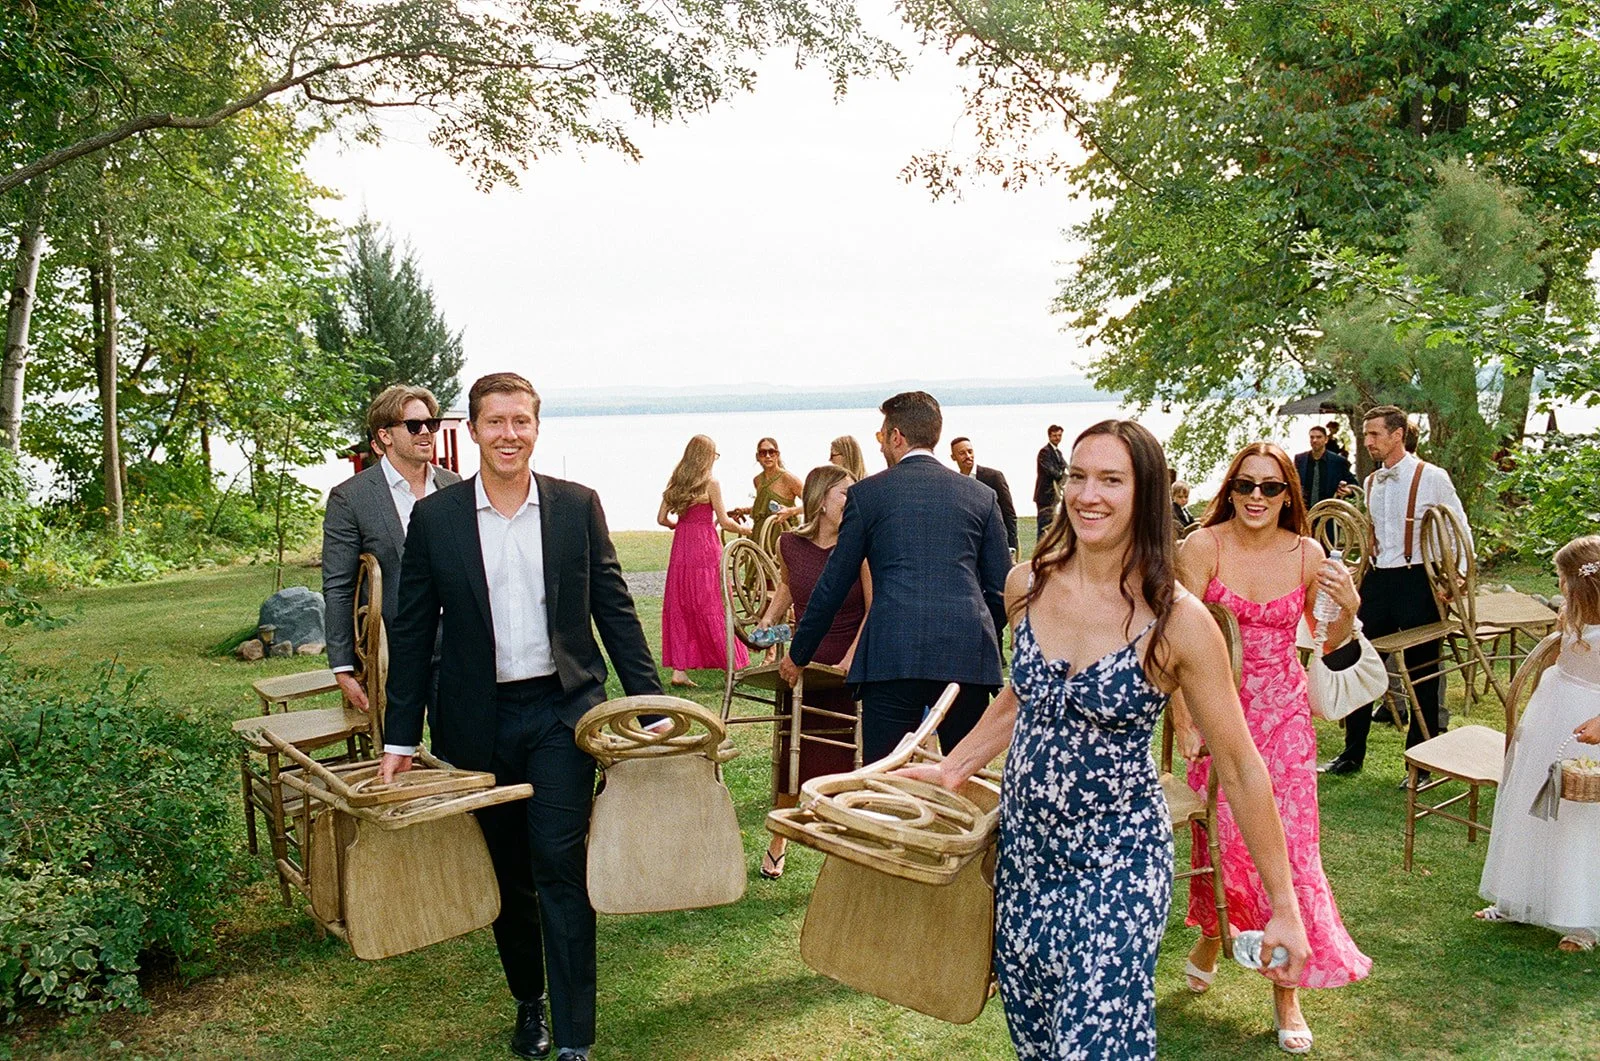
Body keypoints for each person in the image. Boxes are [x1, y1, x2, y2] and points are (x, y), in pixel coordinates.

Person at [900, 420, 1310, 1060]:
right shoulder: (1025, 585)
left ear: (1144, 494)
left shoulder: (1178, 621)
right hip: (1027, 858)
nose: (1088, 494)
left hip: (1119, 860)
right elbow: (1025, 695)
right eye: (1079, 477)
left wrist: (1284, 904)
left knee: (1095, 1046)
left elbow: (1241, 765)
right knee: (1037, 1044)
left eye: (1111, 480)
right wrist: (955, 768)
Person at [382, 372, 662, 1061]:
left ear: (537, 428)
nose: (510, 433)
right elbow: (412, 631)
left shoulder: (576, 507)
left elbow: (615, 611)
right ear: (472, 430)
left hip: (563, 714)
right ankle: (529, 1001)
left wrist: (651, 706)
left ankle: (574, 1040)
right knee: (508, 872)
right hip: (475, 720)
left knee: (560, 861)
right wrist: (398, 734)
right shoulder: (437, 520)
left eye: (522, 421)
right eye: (496, 421)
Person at [1174, 442, 1372, 1053]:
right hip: (1218, 711)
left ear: (1289, 495)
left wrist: (1349, 609)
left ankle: (1286, 990)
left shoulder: (1308, 553)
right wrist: (1185, 722)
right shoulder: (1201, 547)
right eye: (1245, 486)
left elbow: (1328, 640)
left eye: (1270, 487)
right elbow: (1171, 642)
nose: (1256, 497)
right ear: (1229, 490)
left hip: (1284, 715)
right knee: (1223, 841)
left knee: (1288, 848)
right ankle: (1214, 933)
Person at [779, 391, 1009, 761]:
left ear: (897, 436)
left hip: (891, 654)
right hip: (965, 654)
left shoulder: (868, 495)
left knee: (885, 775)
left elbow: (833, 584)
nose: (881, 442)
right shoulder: (980, 496)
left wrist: (799, 652)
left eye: (882, 434)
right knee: (964, 776)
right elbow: (1001, 590)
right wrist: (978, 630)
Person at [1321, 405, 1470, 780]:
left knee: (1423, 669)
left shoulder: (1432, 477)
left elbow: (1458, 528)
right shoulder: (1372, 482)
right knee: (1356, 657)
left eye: (1374, 434)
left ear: (1398, 434)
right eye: (1366, 434)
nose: (1367, 441)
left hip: (1417, 580)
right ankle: (1351, 754)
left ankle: (1420, 765)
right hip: (1379, 580)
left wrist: (1458, 579)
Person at [1476, 535, 1600, 953]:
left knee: (1578, 819)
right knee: (1530, 805)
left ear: (1580, 583)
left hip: (1587, 726)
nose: (1559, 587)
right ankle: (1517, 896)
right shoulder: (1574, 615)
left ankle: (1582, 919)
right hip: (1551, 716)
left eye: (1562, 579)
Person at [754, 465, 872, 879]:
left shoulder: (859, 546)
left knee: (844, 762)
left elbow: (873, 609)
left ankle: (845, 850)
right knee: (793, 760)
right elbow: (788, 587)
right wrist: (768, 621)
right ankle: (779, 840)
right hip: (799, 664)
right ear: (822, 501)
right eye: (846, 495)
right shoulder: (790, 544)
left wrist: (851, 659)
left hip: (843, 662)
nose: (853, 503)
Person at [322, 385, 460, 717]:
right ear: (384, 435)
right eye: (414, 426)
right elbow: (338, 586)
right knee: (398, 758)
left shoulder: (454, 484)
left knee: (461, 756)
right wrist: (342, 666)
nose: (426, 432)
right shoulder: (350, 497)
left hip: (456, 644)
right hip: (392, 650)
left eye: (432, 424)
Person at [657, 435, 750, 688]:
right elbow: (725, 520)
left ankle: (680, 670)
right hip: (705, 546)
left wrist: (681, 525)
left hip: (682, 546)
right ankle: (730, 664)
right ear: (707, 456)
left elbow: (661, 518)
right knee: (713, 602)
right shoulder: (711, 483)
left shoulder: (677, 482)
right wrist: (748, 532)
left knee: (682, 603)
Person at [951, 435, 1019, 555]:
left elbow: (1009, 513)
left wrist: (1011, 546)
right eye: (962, 453)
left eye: (970, 451)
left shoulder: (994, 477)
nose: (968, 456)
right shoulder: (955, 482)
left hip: (996, 543)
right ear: (953, 457)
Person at [730, 437, 803, 526]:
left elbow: (814, 505)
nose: (768, 456)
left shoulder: (789, 478)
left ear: (777, 454)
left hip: (784, 532)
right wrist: (743, 511)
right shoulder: (757, 480)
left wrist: (791, 511)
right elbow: (764, 508)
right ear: (757, 457)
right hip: (761, 532)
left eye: (771, 452)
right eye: (763, 453)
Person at [1294, 425, 1357, 508]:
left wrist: (1348, 491)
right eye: (1312, 437)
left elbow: (1354, 485)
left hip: (1328, 513)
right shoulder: (1300, 459)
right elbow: (1292, 482)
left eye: (1319, 437)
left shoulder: (1338, 461)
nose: (1314, 440)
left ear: (1326, 439)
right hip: (1303, 511)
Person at [1033, 423, 1067, 546]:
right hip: (1044, 495)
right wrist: (1060, 475)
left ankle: (1047, 548)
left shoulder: (1058, 452)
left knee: (1050, 525)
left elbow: (1064, 466)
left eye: (1059, 435)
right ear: (1049, 436)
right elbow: (1050, 470)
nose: (1057, 438)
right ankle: (1040, 550)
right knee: (1043, 525)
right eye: (1055, 436)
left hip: (1054, 495)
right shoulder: (1045, 452)